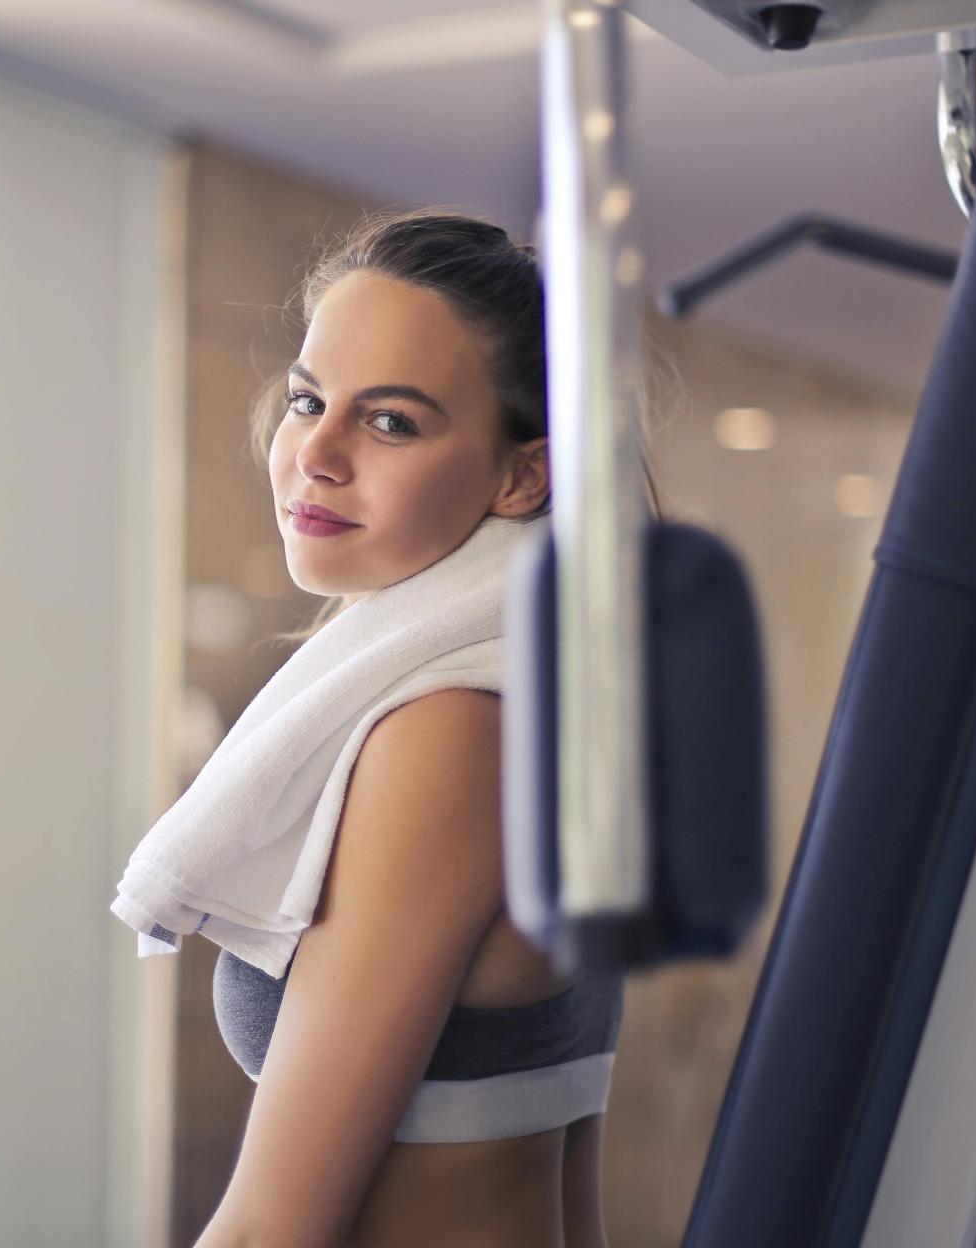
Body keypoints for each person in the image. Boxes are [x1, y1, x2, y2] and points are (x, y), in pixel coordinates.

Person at [194, 207, 665, 1248]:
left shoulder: (451, 734)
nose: (315, 453)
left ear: (522, 476)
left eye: (391, 420)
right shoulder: (539, 703)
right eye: (310, 399)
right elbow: (563, 1158)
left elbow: (276, 1225)